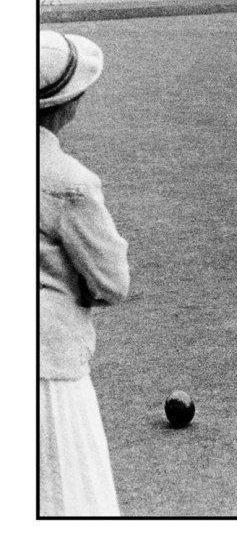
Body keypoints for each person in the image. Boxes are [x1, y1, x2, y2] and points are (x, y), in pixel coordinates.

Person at [40, 30, 130, 516]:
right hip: (47, 362)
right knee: (65, 498)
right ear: (65, 104)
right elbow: (112, 284)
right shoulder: (70, 181)